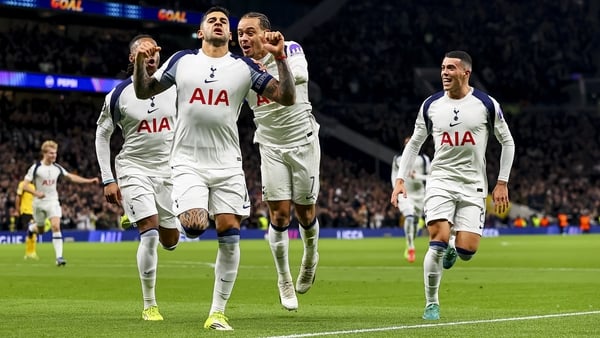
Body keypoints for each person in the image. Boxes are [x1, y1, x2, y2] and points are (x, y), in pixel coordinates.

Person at [132, 6, 296, 331]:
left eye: (224, 21)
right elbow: (143, 90)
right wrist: (140, 61)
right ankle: (174, 221)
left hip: (228, 164)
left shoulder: (243, 66)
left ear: (230, 35)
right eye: (212, 20)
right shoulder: (182, 60)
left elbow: (286, 97)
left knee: (229, 232)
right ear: (200, 32)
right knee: (193, 225)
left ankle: (217, 313)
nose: (219, 23)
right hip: (187, 162)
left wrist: (280, 59)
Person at [390, 51, 515, 320]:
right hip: (440, 181)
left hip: (473, 185)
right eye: (443, 68)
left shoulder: (485, 104)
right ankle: (431, 303)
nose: (444, 73)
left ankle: (456, 247)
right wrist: (400, 180)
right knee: (437, 240)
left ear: (465, 73)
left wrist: (502, 182)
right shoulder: (431, 105)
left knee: (467, 250)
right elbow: (414, 144)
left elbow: (508, 142)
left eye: (451, 68)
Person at [237, 12, 321, 311]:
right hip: (270, 145)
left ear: (266, 33)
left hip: (303, 141)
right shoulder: (239, 68)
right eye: (240, 34)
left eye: (250, 32)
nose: (244, 39)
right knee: (280, 216)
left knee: (306, 214)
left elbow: (300, 79)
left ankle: (311, 254)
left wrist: (278, 55)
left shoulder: (292, 47)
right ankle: (284, 279)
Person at [95, 34, 180, 321]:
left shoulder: (175, 86)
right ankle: (150, 305)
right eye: (145, 51)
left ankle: (135, 212)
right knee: (151, 232)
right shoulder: (119, 94)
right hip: (133, 168)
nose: (152, 54)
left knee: (171, 241)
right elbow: (102, 134)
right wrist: (108, 178)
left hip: (168, 172)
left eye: (156, 49)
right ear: (134, 58)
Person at [23, 140, 100, 266]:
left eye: (55, 153)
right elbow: (24, 186)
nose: (54, 155)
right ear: (44, 153)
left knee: (55, 226)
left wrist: (89, 181)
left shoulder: (57, 168)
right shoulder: (36, 168)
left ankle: (59, 257)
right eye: (51, 153)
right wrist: (37, 193)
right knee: (41, 230)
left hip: (52, 201)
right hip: (38, 203)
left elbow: (71, 177)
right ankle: (32, 228)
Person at [391, 136, 430, 263]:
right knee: (409, 217)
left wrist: (417, 176)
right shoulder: (398, 160)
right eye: (407, 144)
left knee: (414, 223)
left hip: (420, 195)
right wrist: (395, 190)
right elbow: (394, 176)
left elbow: (431, 177)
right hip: (405, 194)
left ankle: (409, 243)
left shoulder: (424, 160)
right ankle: (412, 248)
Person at [17, 179, 38, 259]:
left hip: (34, 212)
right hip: (26, 211)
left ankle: (31, 252)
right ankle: (29, 252)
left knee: (33, 232)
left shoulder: (34, 186)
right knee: (30, 232)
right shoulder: (22, 184)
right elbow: (18, 197)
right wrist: (17, 209)